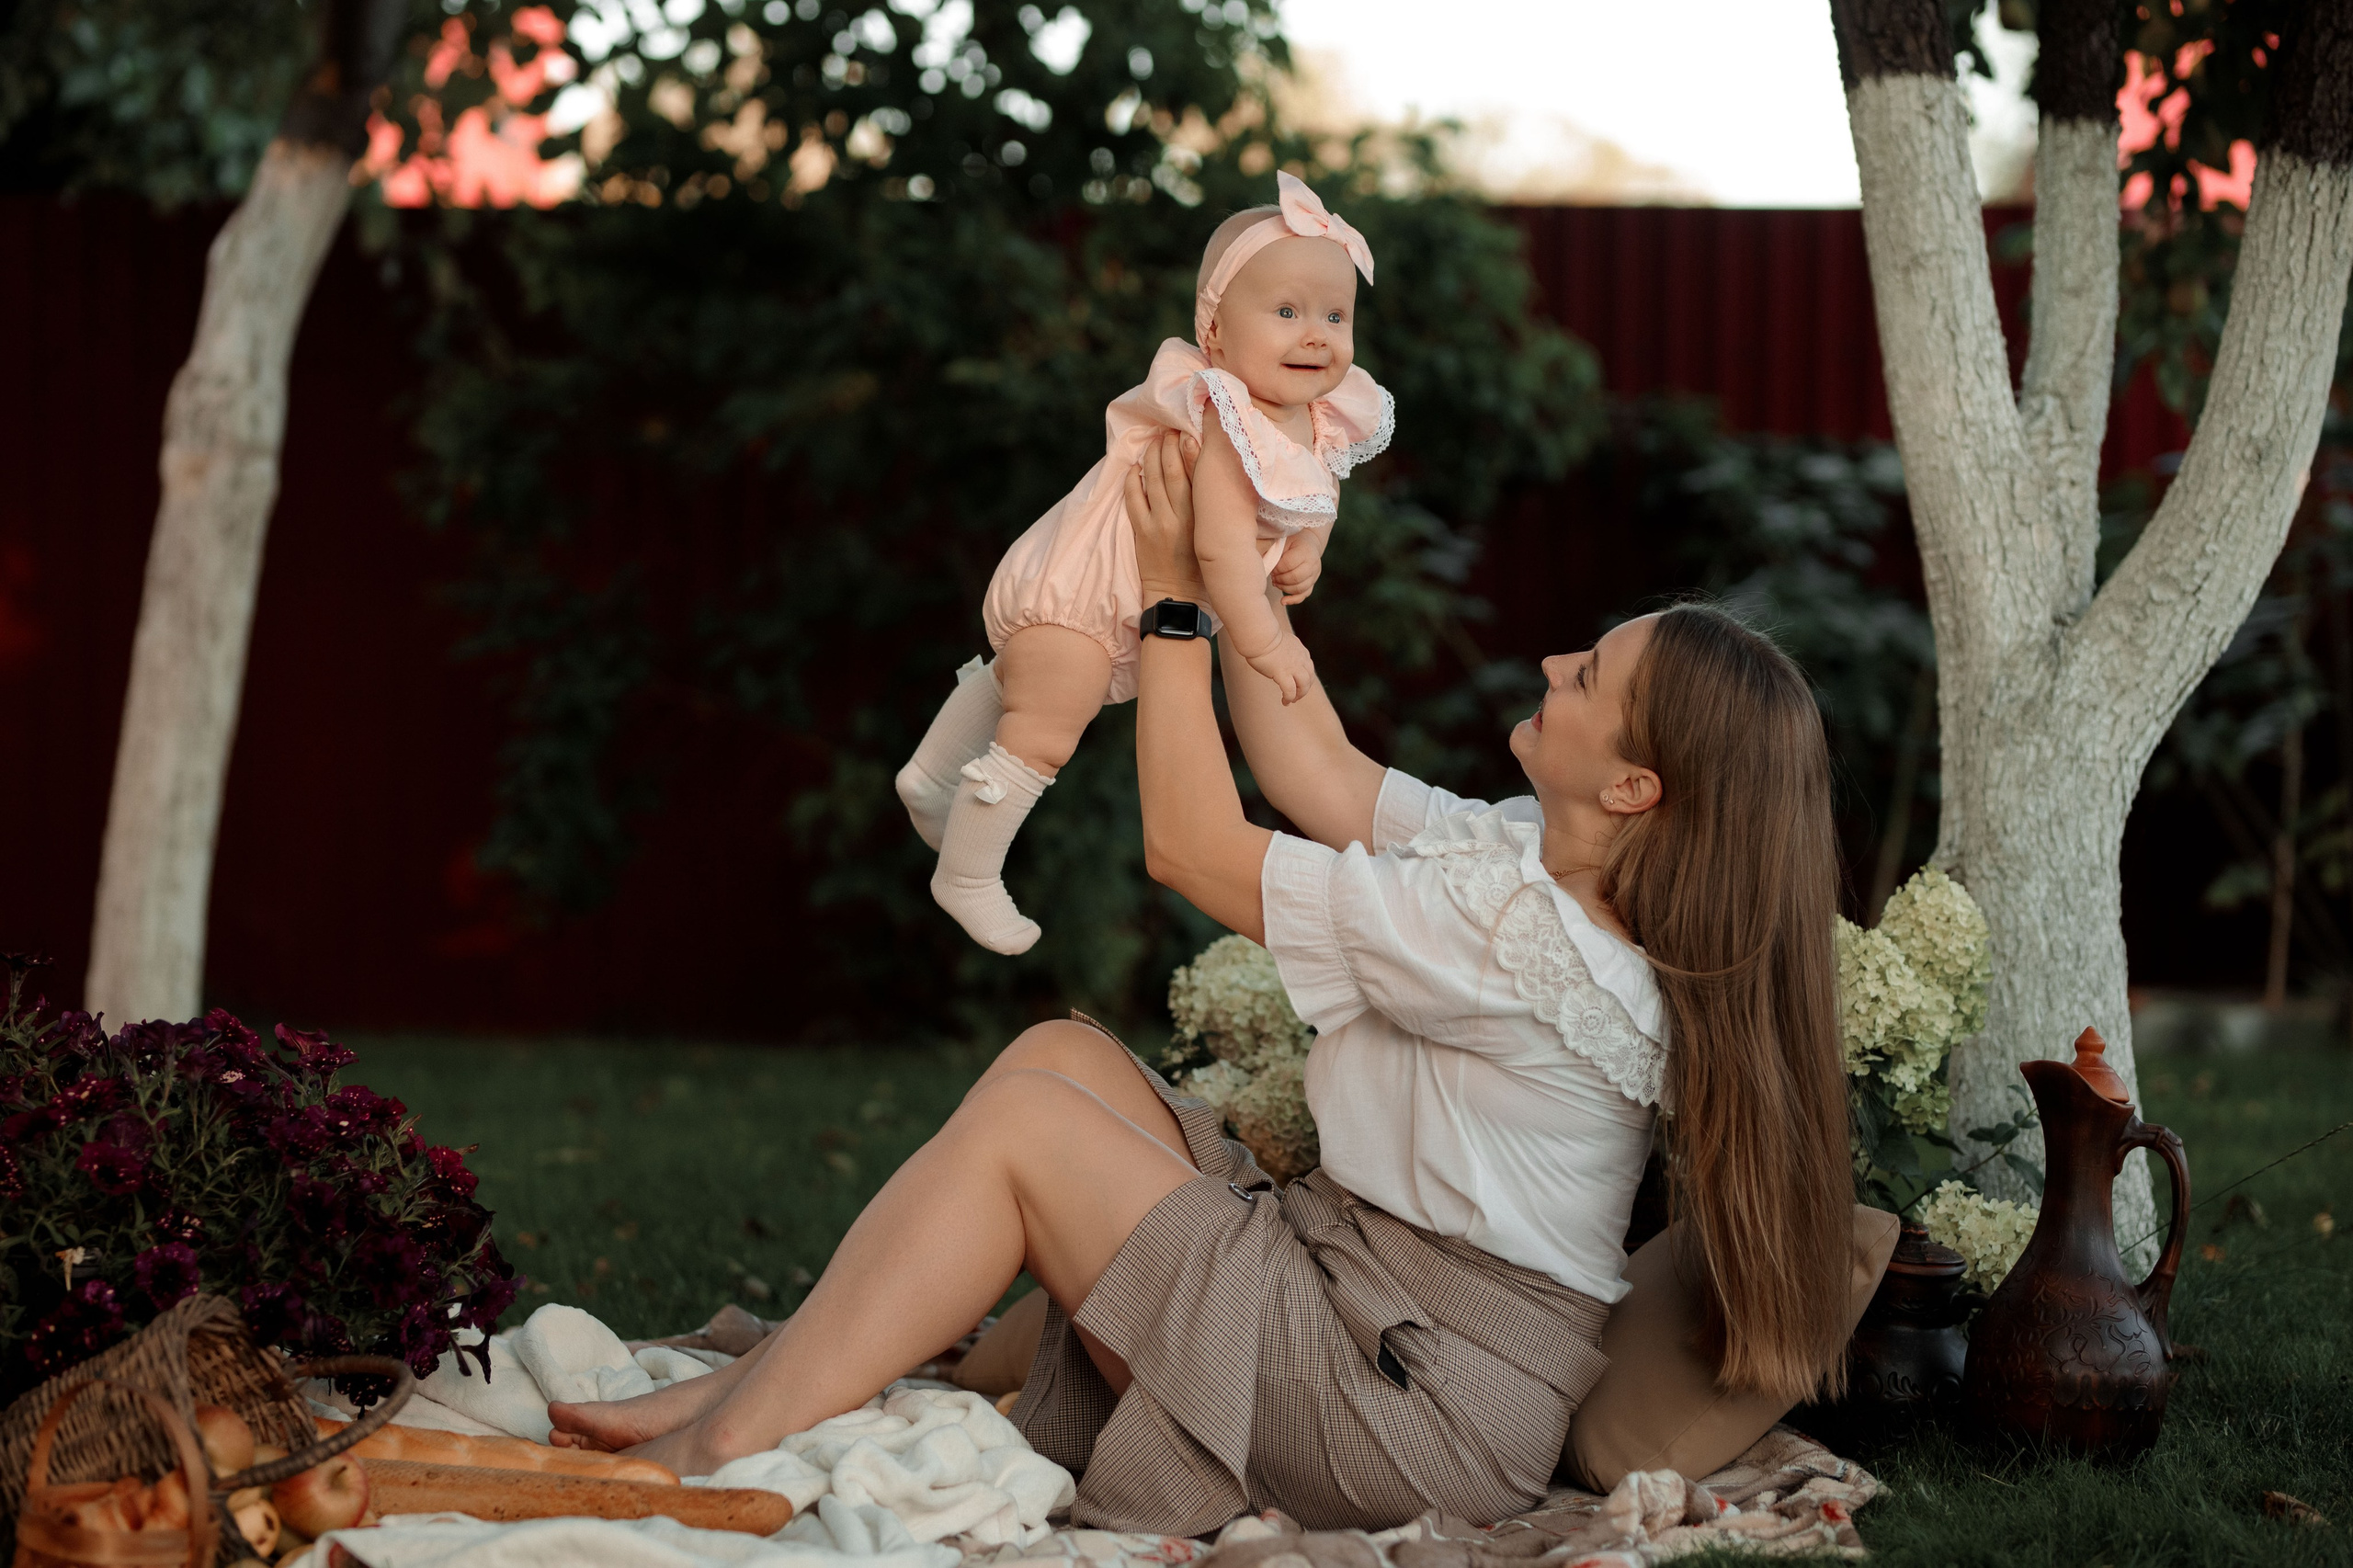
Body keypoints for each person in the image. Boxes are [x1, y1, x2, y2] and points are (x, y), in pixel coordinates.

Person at [547, 436, 1855, 1536]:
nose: (1556, 662)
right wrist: (1232, 553)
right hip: (1371, 1302)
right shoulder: (1529, 858)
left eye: (1591, 676)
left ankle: (720, 1453)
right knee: (1058, 1060)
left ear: (1635, 788)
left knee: (1031, 1134)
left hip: (1408, 1401)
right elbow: (1321, 769)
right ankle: (759, 1385)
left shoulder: (1521, 935)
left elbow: (1190, 842)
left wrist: (1171, 608)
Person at [892, 172, 1392, 955]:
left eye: (1335, 314)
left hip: (1117, 589)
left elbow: (1316, 496)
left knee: (1026, 682)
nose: (1316, 334)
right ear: (1216, 332)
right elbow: (1220, 546)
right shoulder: (1228, 416)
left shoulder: (1315, 417)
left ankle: (931, 777)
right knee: (1048, 724)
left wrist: (1308, 550)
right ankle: (967, 876)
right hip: (1090, 589)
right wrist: (1265, 640)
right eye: (1287, 312)